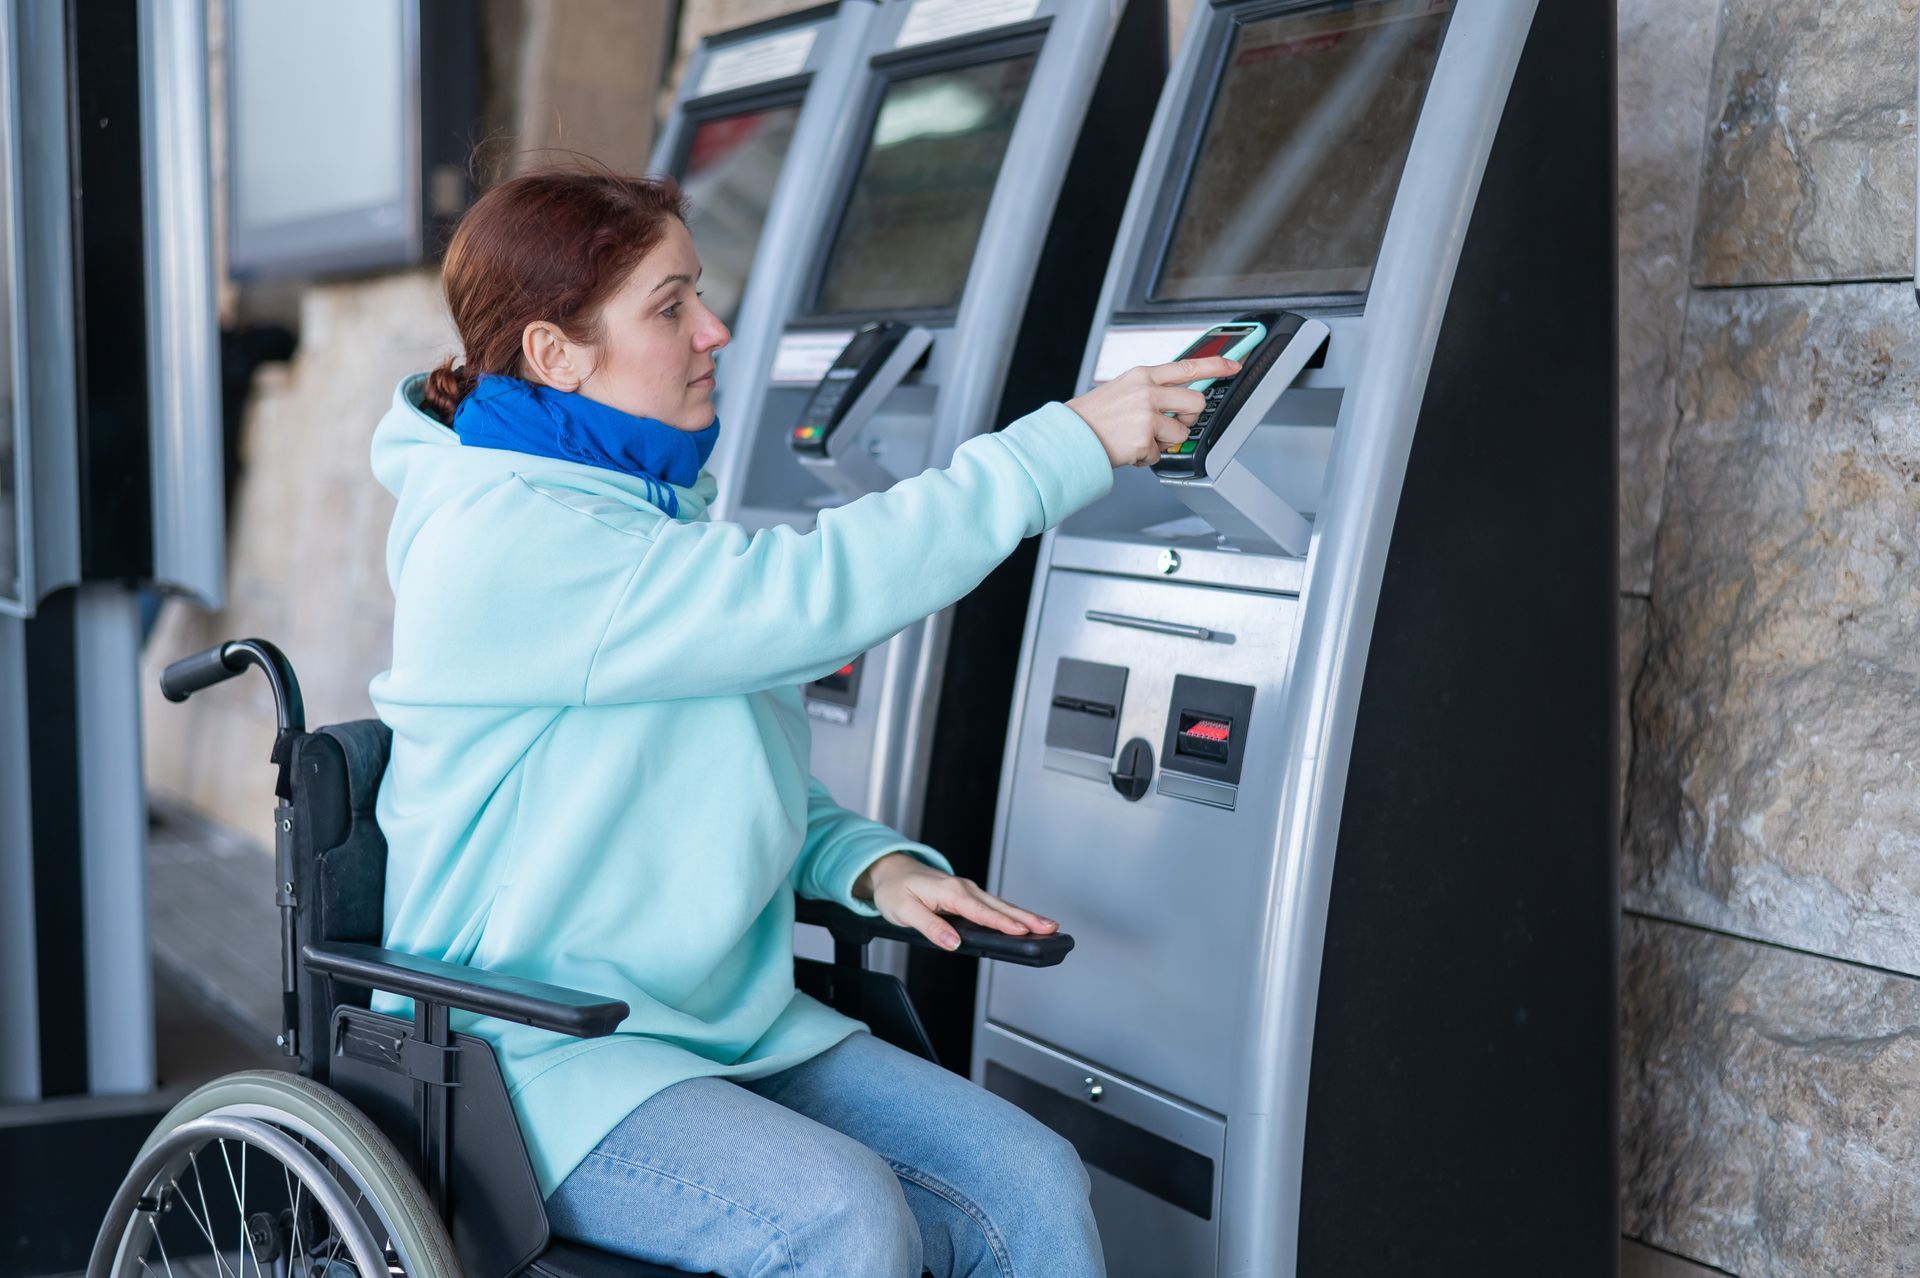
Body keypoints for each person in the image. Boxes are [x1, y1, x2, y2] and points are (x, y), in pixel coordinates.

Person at [368, 167, 1238, 1278]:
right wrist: (1060, 442)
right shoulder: (509, 540)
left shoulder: (638, 511)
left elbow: (714, 769)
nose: (715, 331)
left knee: (1030, 1184)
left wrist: (868, 868)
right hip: (545, 1057)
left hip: (721, 1025)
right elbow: (819, 589)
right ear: (554, 354)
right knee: (839, 1220)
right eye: (671, 305)